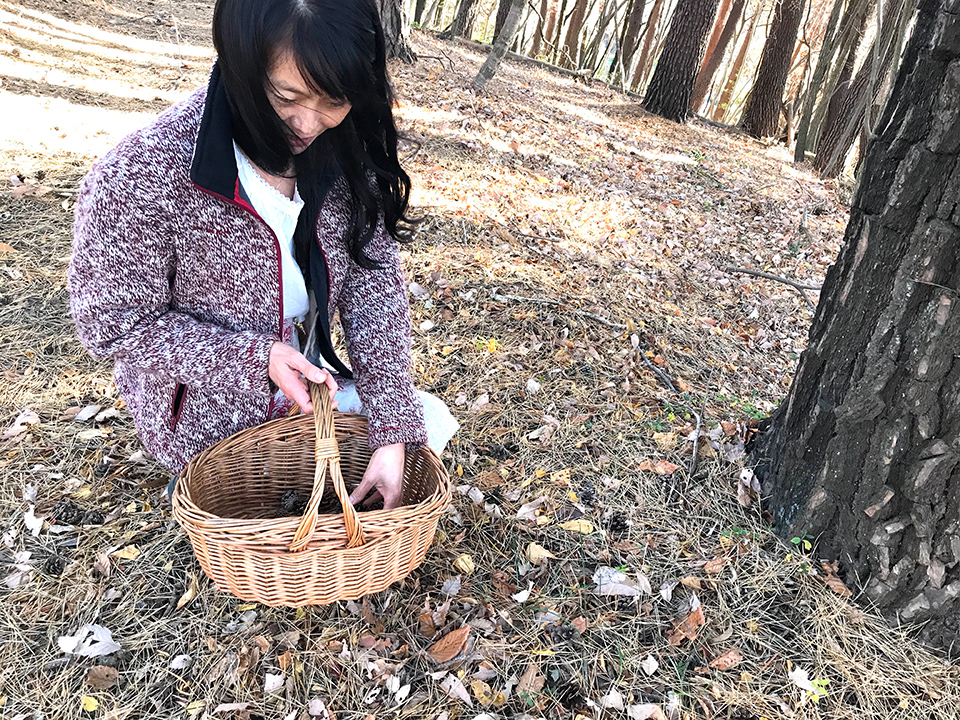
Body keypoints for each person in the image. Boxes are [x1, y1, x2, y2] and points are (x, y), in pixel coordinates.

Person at [67, 0, 457, 511]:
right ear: (243, 63)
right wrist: (255, 359)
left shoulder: (342, 148)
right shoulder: (143, 174)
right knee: (258, 505)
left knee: (424, 422)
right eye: (287, 96)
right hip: (208, 408)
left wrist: (391, 430)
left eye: (335, 100)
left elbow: (372, 283)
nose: (308, 123)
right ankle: (203, 484)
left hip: (308, 387)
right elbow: (113, 325)